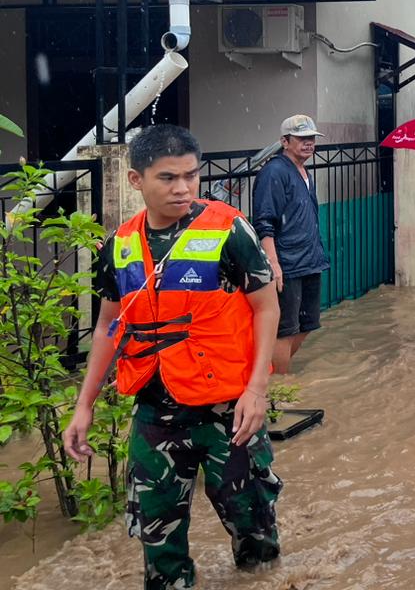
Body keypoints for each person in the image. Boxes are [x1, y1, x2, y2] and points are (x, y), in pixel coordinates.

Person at [64, 125, 282, 590]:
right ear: (135, 180)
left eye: (191, 175)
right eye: (168, 178)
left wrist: (257, 390)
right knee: (158, 541)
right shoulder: (119, 246)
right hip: (156, 411)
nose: (182, 188)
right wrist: (84, 405)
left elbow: (267, 307)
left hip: (229, 410)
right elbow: (107, 327)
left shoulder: (229, 230)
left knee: (255, 533)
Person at [252, 113, 329, 375]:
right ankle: (279, 386)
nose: (308, 144)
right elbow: (265, 222)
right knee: (285, 329)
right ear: (285, 141)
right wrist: (274, 264)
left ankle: (272, 371)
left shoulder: (304, 171)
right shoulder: (274, 172)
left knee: (308, 324)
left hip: (309, 260)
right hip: (287, 262)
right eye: (302, 139)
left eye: (311, 139)